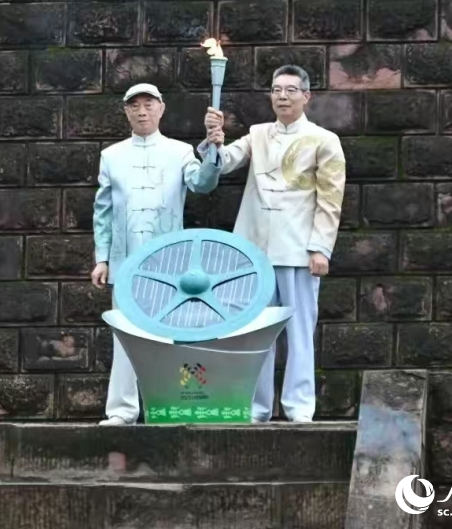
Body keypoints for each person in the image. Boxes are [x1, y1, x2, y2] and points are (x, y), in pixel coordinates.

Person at [199, 65, 346, 423]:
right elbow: (225, 163)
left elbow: (330, 199)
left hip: (297, 250)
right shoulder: (257, 133)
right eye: (277, 89)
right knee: (254, 334)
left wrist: (320, 248)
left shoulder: (324, 140)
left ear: (306, 96)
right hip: (253, 253)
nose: (282, 96)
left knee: (298, 335)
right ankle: (256, 409)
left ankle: (299, 409)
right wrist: (213, 141)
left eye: (291, 90)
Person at [92, 83, 222, 426]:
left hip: (170, 264)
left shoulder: (179, 152)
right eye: (134, 105)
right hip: (124, 262)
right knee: (125, 336)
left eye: (148, 104)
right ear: (126, 112)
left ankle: (166, 407)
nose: (142, 111)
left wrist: (214, 152)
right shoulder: (111, 155)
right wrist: (101, 258)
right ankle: (121, 410)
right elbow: (102, 211)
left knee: (167, 336)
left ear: (161, 108)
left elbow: (203, 184)